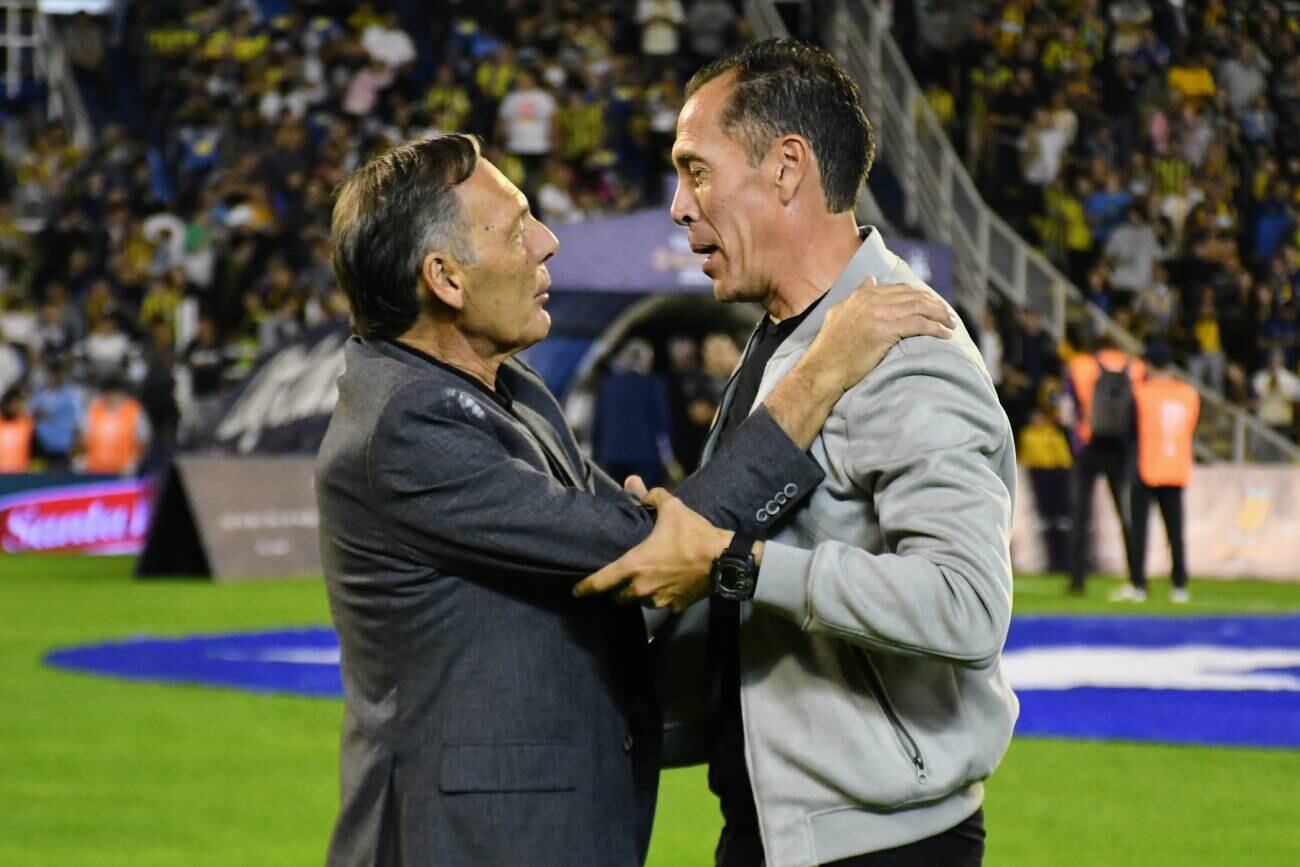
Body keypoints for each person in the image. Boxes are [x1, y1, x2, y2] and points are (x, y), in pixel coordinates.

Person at [315, 133, 953, 867]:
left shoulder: (509, 389)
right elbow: (647, 549)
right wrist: (820, 374)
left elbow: (638, 538)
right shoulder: (406, 424)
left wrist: (644, 528)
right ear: (446, 279)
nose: (549, 243)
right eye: (519, 226)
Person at [576, 39, 1017, 867]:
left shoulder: (906, 346)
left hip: (884, 843)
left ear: (786, 169)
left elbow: (966, 603)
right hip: (776, 829)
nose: (677, 205)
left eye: (696, 170)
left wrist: (737, 562)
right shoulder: (788, 339)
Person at [1117, 342, 1200, 603]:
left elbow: (1128, 432)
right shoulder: (1188, 393)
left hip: (1145, 467)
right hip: (1175, 467)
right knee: (1175, 531)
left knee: (1139, 529)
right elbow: (1190, 427)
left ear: (1150, 364)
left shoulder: (1141, 392)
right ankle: (1179, 585)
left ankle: (1139, 584)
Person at [1064, 333, 1146, 594]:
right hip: (1120, 448)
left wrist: (1075, 443)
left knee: (1080, 514)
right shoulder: (1136, 367)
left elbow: (1067, 410)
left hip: (1088, 445)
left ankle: (1077, 580)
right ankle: (1136, 578)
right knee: (1127, 513)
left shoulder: (1079, 365)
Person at [80, 375, 151, 476]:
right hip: (94, 471)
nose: (111, 398)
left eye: (114, 394)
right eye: (107, 394)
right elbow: (83, 438)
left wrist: (134, 464)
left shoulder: (134, 411)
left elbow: (144, 442)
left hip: (123, 473)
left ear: (121, 393)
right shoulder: (93, 410)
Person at [0, 386, 33, 473]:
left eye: (21, 403)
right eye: (15, 402)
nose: (18, 406)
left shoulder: (27, 423)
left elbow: (33, 447)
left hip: (20, 473)